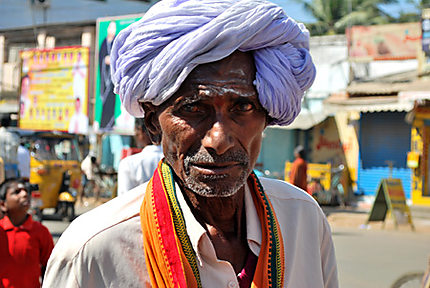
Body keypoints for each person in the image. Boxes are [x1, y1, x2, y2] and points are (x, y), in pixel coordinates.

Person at [43, 1, 338, 287]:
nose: (219, 140)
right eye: (193, 109)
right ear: (152, 124)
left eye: (243, 108)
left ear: (267, 116)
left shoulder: (303, 220)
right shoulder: (93, 249)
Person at [0, 178, 54, 287]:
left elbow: (50, 268)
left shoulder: (40, 231)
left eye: (26, 190)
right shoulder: (1, 230)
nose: (24, 194)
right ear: (3, 205)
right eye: (16, 192)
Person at [117, 118, 163, 196]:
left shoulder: (128, 164)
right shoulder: (174, 161)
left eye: (135, 131)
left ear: (140, 130)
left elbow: (124, 199)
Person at [99, 21, 117, 129]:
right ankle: (104, 123)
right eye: (111, 28)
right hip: (105, 77)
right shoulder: (103, 44)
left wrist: (112, 60)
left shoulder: (116, 43)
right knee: (105, 100)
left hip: (112, 79)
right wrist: (104, 60)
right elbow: (101, 58)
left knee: (111, 99)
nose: (112, 31)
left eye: (114, 28)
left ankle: (111, 122)